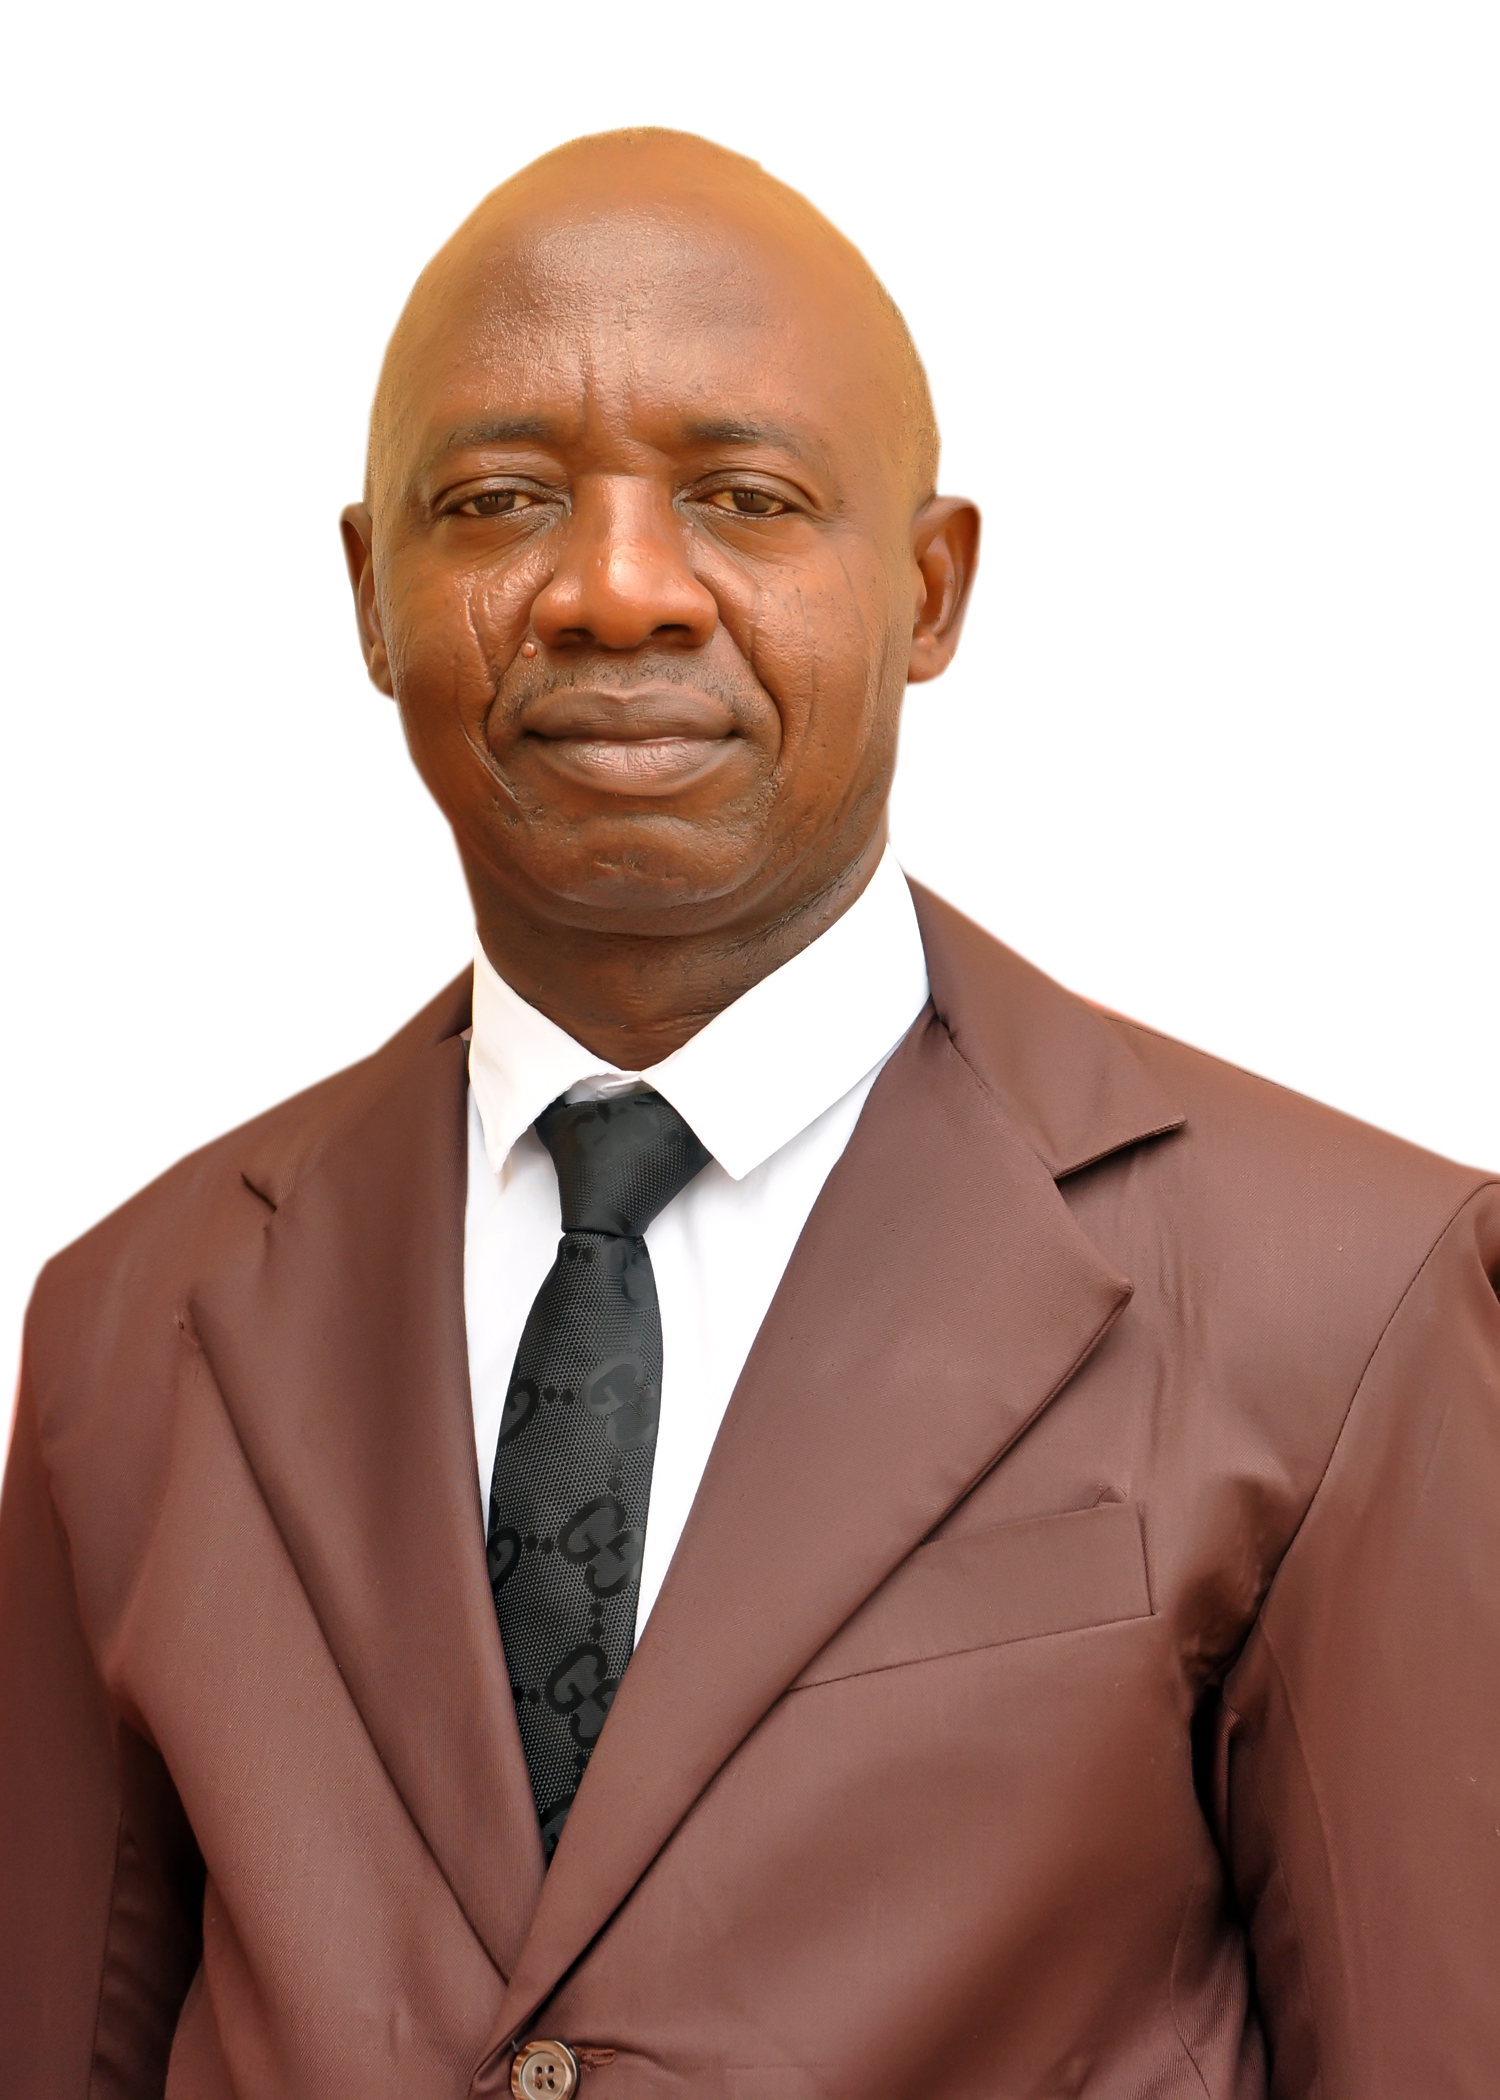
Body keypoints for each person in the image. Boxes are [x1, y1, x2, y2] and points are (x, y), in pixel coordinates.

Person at [2, 126, 1497, 2100]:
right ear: (372, 595)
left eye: (744, 496)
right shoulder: (128, 1324)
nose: (617, 593)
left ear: (929, 589)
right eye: (501, 498)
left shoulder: (1351, 1303)